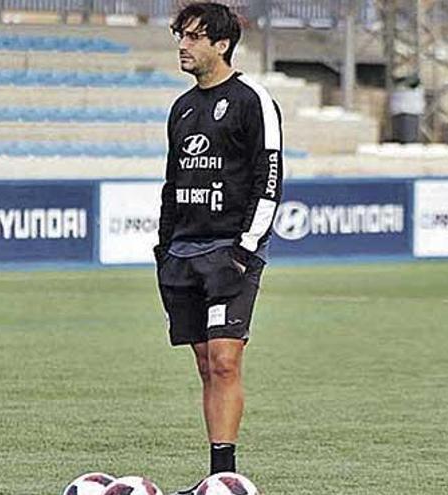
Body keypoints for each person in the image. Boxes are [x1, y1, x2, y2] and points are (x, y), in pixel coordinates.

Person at [154, 3, 283, 493]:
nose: (183, 46)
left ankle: (221, 479)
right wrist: (164, 249)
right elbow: (172, 183)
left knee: (227, 360)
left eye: (193, 37)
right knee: (206, 364)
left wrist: (245, 250)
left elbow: (269, 181)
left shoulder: (254, 100)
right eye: (180, 37)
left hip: (230, 250)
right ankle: (216, 478)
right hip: (183, 254)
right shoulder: (181, 108)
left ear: (221, 44)